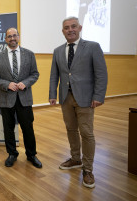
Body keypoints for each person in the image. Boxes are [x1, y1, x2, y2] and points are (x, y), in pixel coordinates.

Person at [49, 16, 108, 188]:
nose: (70, 30)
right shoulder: (58, 50)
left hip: (86, 98)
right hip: (65, 98)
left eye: (73, 26)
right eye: (66, 28)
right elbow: (54, 75)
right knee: (70, 129)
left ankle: (88, 169)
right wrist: (53, 93)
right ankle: (76, 159)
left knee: (87, 133)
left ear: (80, 27)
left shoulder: (92, 47)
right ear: (63, 31)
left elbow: (101, 74)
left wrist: (98, 96)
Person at [0, 27, 42, 168]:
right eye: (9, 36)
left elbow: (35, 74)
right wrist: (7, 84)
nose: (12, 38)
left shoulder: (29, 54)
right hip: (6, 98)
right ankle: (12, 154)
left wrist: (25, 83)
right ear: (5, 39)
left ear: (18, 37)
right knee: (8, 128)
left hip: (24, 98)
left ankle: (31, 155)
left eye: (14, 35)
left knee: (28, 128)